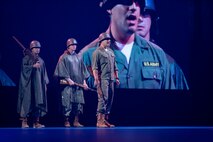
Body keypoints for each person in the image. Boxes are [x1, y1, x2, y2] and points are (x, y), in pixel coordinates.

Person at [83, 0, 175, 89]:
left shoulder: (157, 55)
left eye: (138, 2)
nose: (134, 7)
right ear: (109, 8)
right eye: (126, 1)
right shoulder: (89, 57)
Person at [136, 0, 189, 89]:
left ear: (152, 18)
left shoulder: (168, 63)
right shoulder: (112, 57)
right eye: (136, 14)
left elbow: (183, 100)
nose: (140, 19)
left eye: (145, 13)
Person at [54, 38, 89, 127]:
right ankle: (66, 121)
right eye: (73, 45)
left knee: (78, 103)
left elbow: (83, 71)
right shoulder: (63, 57)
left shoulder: (78, 57)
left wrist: (84, 83)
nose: (74, 46)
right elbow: (61, 70)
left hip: (78, 85)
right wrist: (68, 79)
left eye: (75, 45)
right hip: (68, 85)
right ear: (68, 46)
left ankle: (76, 121)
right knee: (67, 103)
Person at [17, 40, 49, 128]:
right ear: (31, 49)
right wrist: (32, 66)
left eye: (38, 48)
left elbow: (44, 73)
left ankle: (36, 122)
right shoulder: (26, 58)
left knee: (38, 101)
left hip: (38, 85)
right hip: (29, 84)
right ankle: (24, 121)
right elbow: (24, 70)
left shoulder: (41, 60)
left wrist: (45, 84)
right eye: (35, 48)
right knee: (27, 101)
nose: (37, 49)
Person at [92, 32, 120, 127]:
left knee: (110, 99)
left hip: (111, 79)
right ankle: (99, 121)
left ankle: (105, 120)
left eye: (109, 39)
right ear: (101, 41)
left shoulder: (111, 52)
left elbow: (115, 66)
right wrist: (97, 80)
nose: (108, 41)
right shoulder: (97, 52)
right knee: (103, 99)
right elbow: (95, 68)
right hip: (103, 79)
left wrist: (117, 77)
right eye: (106, 39)